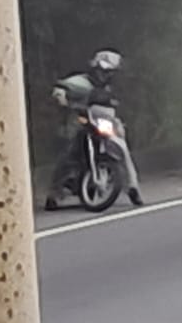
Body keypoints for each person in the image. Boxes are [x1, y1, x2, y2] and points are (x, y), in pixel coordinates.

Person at [45, 50, 144, 208]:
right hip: (83, 123)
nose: (104, 75)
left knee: (122, 148)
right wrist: (61, 98)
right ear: (95, 68)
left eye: (109, 72)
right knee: (69, 151)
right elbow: (60, 89)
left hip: (104, 124)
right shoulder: (81, 82)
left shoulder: (113, 90)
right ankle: (54, 193)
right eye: (102, 71)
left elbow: (121, 106)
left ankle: (132, 187)